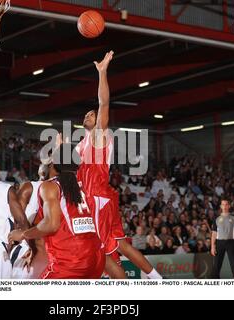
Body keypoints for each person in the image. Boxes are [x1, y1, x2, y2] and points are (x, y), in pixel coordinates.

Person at [76, 51, 161, 279]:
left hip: (97, 197)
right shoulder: (81, 145)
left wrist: (103, 73)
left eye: (92, 114)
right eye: (87, 113)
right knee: (121, 245)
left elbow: (104, 103)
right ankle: (158, 279)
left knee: (97, 248)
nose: (89, 114)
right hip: (101, 198)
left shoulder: (99, 136)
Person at [9, 144, 105, 279]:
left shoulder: (50, 186)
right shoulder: (81, 185)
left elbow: (51, 224)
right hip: (97, 255)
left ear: (53, 163)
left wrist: (23, 234)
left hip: (72, 258)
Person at [11, 163, 49, 279]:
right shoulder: (30, 187)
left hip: (43, 250)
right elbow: (19, 222)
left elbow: (17, 223)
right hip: (31, 247)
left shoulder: (31, 187)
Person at [211, 199, 234, 278]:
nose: (224, 206)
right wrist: (212, 246)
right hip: (219, 243)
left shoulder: (233, 217)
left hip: (231, 242)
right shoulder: (216, 218)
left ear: (229, 206)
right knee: (217, 265)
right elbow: (214, 233)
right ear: (221, 206)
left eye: (226, 204)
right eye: (223, 204)